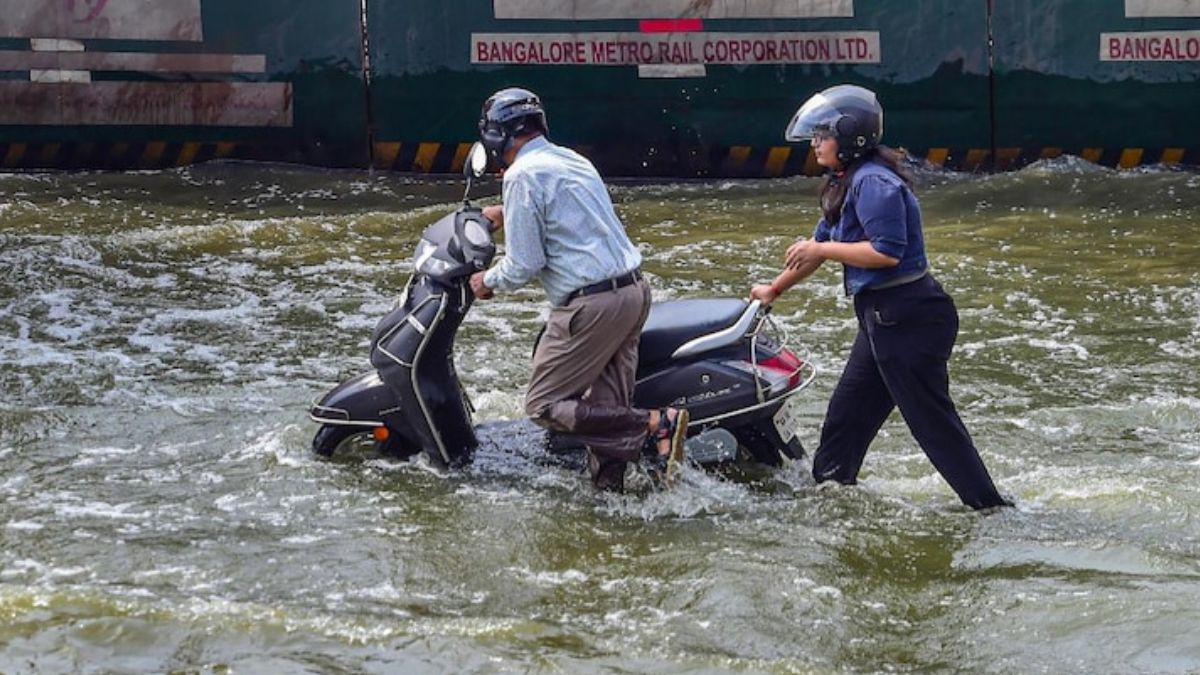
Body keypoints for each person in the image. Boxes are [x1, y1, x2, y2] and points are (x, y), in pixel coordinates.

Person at [749, 84, 1011, 510]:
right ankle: (832, 497)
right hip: (880, 320)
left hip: (909, 317)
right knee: (844, 423)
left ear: (849, 137)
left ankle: (991, 510)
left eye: (822, 135)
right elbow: (819, 246)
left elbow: (885, 253)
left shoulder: (874, 183)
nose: (814, 143)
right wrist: (773, 289)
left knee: (933, 426)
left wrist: (821, 250)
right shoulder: (845, 180)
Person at [467, 87, 688, 491]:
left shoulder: (521, 175)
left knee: (544, 404)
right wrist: (507, 212)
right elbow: (573, 216)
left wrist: (487, 281)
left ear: (499, 136)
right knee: (608, 412)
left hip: (592, 304)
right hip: (632, 292)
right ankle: (610, 501)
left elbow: (524, 264)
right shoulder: (570, 159)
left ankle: (657, 423)